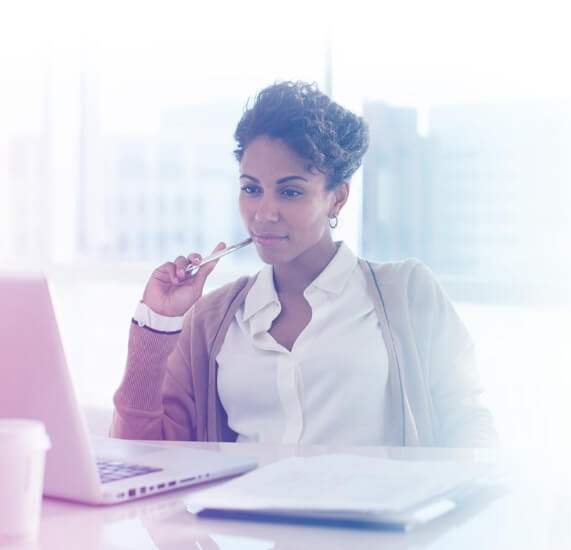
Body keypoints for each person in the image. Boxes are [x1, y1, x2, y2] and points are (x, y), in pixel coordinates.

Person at [111, 81, 496, 447]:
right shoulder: (211, 320)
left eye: (290, 192)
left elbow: (469, 428)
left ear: (337, 198)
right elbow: (141, 457)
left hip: (366, 516)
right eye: (251, 189)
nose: (264, 213)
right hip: (239, 517)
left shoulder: (408, 293)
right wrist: (157, 323)